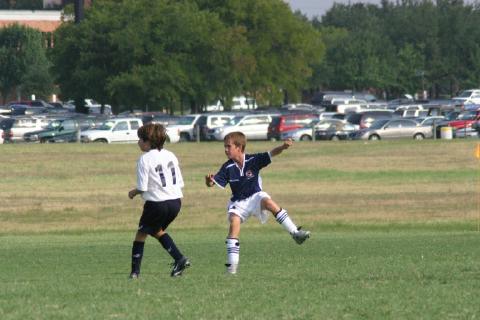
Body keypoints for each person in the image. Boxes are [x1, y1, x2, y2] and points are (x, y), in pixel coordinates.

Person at [205, 131, 310, 274]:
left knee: (269, 202)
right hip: (239, 203)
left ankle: (295, 233)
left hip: (255, 197)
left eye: (228, 146)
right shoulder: (227, 167)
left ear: (239, 147)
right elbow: (212, 183)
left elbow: (271, 153)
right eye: (225, 146)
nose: (225, 150)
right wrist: (209, 181)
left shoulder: (253, 160)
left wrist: (283, 147)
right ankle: (232, 267)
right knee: (234, 223)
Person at [128, 123, 190, 279]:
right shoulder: (171, 155)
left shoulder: (144, 159)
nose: (138, 143)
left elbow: (142, 187)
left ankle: (135, 273)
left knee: (141, 234)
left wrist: (133, 192)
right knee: (156, 231)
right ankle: (179, 259)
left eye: (140, 140)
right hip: (175, 202)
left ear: (148, 141)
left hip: (157, 203)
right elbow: (180, 182)